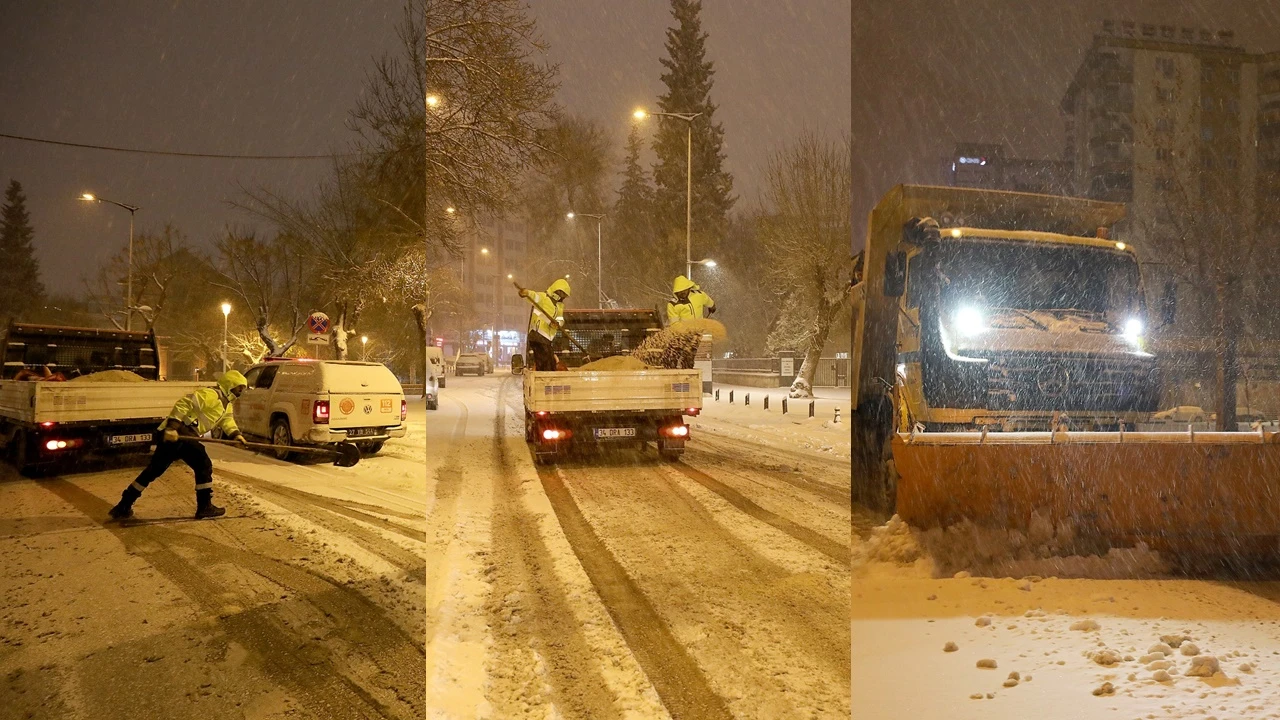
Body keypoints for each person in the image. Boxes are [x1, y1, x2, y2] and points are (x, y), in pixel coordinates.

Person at [108, 370, 250, 521]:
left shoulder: (227, 405)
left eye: (243, 389)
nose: (241, 392)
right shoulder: (211, 395)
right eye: (239, 387)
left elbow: (227, 421)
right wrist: (172, 427)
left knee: (154, 470)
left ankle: (123, 505)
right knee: (203, 464)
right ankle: (205, 507)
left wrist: (236, 435)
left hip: (181, 435)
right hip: (180, 431)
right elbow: (184, 403)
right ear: (230, 384)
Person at [516, 278, 571, 371]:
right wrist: (526, 292)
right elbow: (534, 296)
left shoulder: (560, 306)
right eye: (562, 293)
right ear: (556, 290)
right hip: (537, 334)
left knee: (550, 361)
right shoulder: (544, 298)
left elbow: (560, 319)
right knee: (545, 361)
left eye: (564, 295)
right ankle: (545, 376)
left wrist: (557, 324)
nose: (563, 296)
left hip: (547, 339)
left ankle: (546, 375)